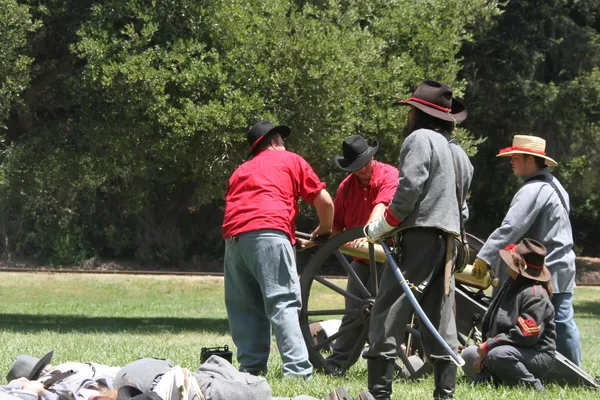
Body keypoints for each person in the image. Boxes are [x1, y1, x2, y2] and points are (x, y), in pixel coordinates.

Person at [363, 80, 474, 400]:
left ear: (420, 113)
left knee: (386, 311)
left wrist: (383, 226)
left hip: (419, 237)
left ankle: (379, 394)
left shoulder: (418, 139)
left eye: (411, 110)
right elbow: (462, 209)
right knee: (440, 316)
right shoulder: (460, 155)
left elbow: (409, 191)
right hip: (449, 243)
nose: (408, 115)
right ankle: (444, 394)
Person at [221, 120, 334, 379]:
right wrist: (324, 230)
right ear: (274, 142)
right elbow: (325, 201)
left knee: (245, 306)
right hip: (270, 232)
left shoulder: (240, 171)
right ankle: (297, 372)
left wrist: (289, 239)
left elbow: (252, 209)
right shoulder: (291, 160)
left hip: (234, 239)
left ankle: (251, 372)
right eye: (282, 140)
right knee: (283, 302)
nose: (285, 144)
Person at [470, 134, 581, 366]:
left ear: (531, 160)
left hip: (549, 265)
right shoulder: (554, 185)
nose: (511, 161)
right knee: (561, 320)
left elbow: (511, 227)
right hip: (559, 262)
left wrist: (485, 256)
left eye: (515, 157)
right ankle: (572, 372)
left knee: (560, 321)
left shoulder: (534, 189)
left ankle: (577, 378)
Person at [326, 135, 399, 371]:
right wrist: (336, 241)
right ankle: (337, 365)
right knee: (353, 315)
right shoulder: (346, 187)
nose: (363, 170)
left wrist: (367, 235)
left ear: (372, 157)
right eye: (357, 167)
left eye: (365, 163)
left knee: (386, 316)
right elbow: (336, 226)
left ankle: (387, 365)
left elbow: (382, 205)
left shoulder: (389, 175)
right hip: (360, 262)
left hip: (390, 258)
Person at [462, 239, 556, 392]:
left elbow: (526, 335)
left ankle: (535, 389)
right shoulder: (512, 284)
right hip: (510, 348)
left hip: (536, 354)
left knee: (498, 355)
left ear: (519, 266)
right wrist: (484, 351)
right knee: (469, 355)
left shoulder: (535, 294)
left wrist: (489, 346)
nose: (506, 265)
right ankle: (498, 377)